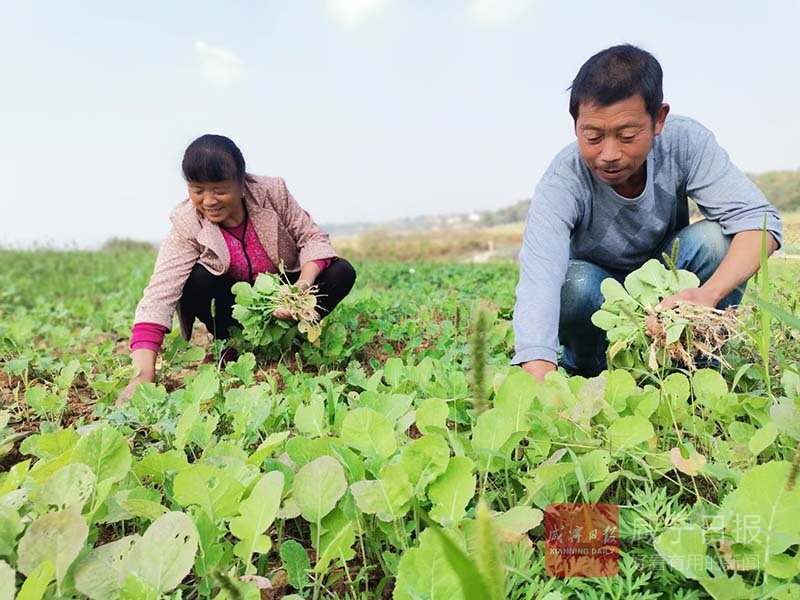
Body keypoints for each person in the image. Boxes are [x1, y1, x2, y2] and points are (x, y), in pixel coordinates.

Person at [512, 44, 782, 381]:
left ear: (658, 119)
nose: (608, 154)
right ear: (575, 125)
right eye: (592, 136)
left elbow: (761, 224)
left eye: (627, 135)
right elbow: (540, 278)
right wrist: (537, 385)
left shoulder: (686, 143)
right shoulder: (563, 179)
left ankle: (695, 367)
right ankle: (590, 369)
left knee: (716, 240)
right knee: (573, 284)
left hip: (666, 281)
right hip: (598, 296)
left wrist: (707, 294)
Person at [118, 134, 356, 402]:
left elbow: (312, 238)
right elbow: (158, 296)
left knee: (341, 272)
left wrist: (301, 287)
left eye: (219, 190)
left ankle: (292, 336)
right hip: (230, 302)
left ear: (242, 183)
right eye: (197, 191)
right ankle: (228, 344)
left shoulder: (272, 192)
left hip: (281, 290)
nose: (208, 201)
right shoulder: (186, 223)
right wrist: (142, 376)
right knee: (197, 278)